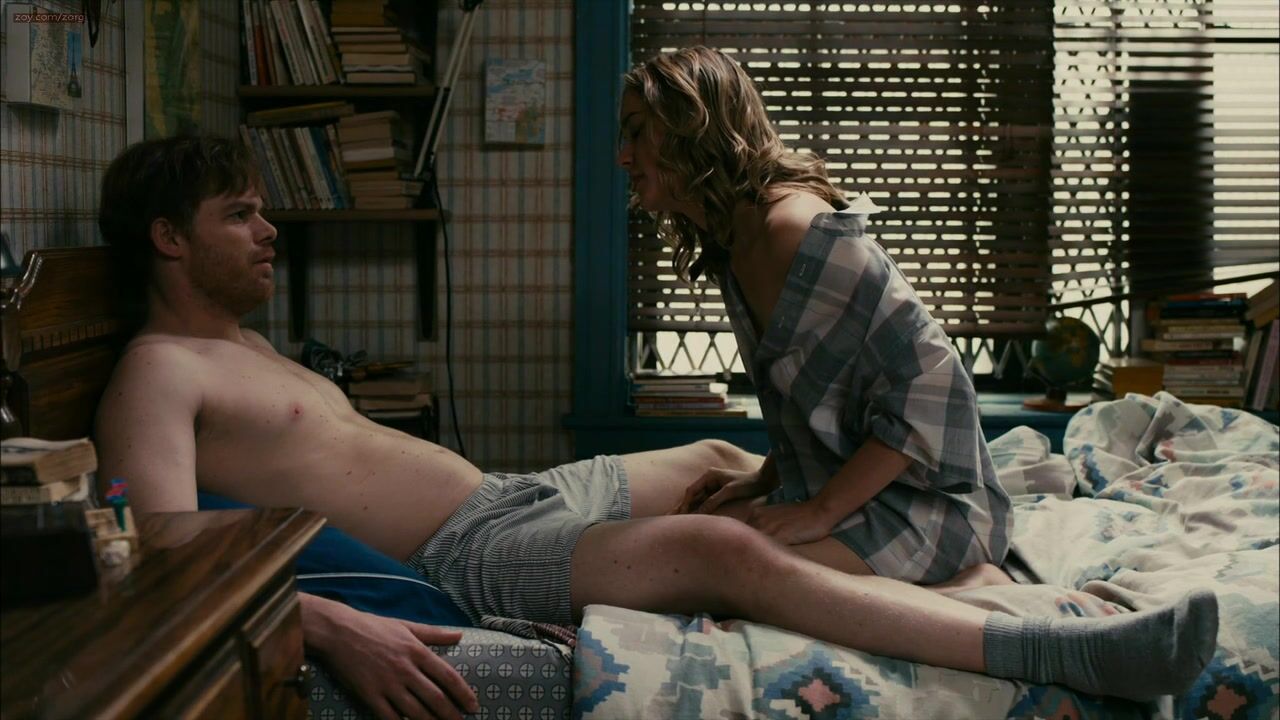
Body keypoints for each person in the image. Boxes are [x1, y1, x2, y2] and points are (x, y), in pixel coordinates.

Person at [93, 135, 1216, 720]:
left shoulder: (247, 346)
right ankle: (1047, 646)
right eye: (239, 213)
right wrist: (330, 626)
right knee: (719, 547)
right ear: (167, 239)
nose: (269, 230)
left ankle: (954, 548)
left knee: (726, 462)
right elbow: (161, 556)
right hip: (466, 555)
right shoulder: (155, 371)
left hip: (513, 496)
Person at [619, 46, 1011, 587]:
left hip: (932, 512)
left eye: (637, 131)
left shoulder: (795, 231)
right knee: (692, 533)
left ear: (692, 125)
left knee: (716, 569)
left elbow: (937, 388)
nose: (623, 156)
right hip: (856, 490)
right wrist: (766, 477)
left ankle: (974, 586)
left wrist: (821, 511)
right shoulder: (736, 239)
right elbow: (816, 390)